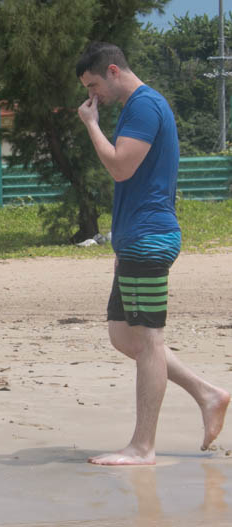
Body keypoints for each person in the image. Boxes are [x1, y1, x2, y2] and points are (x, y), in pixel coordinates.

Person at [76, 41, 229, 465]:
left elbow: (121, 166)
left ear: (112, 70)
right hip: (134, 242)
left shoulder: (144, 106)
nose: (92, 96)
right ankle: (208, 393)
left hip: (148, 238)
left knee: (148, 341)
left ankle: (143, 447)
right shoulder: (135, 107)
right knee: (123, 335)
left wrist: (91, 124)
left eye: (93, 85)